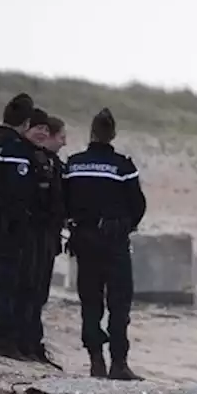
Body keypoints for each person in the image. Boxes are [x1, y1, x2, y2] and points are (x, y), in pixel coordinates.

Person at [63, 107, 147, 380]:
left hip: (83, 240)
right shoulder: (123, 166)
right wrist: (125, 225)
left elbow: (62, 201)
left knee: (90, 302)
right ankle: (119, 363)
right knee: (119, 304)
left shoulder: (73, 164)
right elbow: (138, 206)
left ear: (91, 132)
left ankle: (95, 360)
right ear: (113, 134)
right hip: (113, 241)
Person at [0, 101, 49, 360]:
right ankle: (5, 342)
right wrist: (22, 220)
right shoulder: (14, 149)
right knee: (7, 282)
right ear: (26, 123)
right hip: (8, 225)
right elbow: (19, 192)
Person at [21, 111, 68, 367]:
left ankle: (32, 344)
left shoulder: (53, 164)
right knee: (30, 289)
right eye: (61, 136)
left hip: (48, 234)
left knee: (39, 292)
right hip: (34, 234)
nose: (64, 142)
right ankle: (24, 343)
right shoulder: (35, 161)